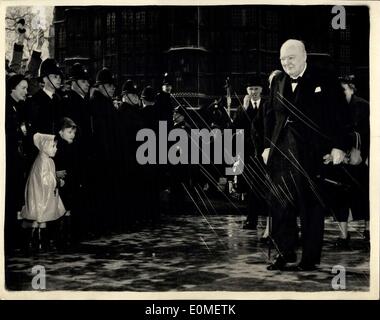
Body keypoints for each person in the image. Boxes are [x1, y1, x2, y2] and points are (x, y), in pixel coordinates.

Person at [263, 39, 350, 271]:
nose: (286, 63)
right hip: (281, 154)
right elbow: (269, 117)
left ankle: (309, 259)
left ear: (304, 56)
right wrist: (266, 146)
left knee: (310, 206)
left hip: (311, 154)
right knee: (281, 205)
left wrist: (339, 146)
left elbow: (341, 115)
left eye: (291, 58)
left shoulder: (325, 79)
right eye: (282, 59)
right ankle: (284, 253)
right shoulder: (277, 81)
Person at [332, 77, 370, 247]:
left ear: (352, 89)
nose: (341, 94)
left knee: (364, 195)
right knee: (340, 197)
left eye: (344, 90)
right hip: (342, 160)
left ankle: (369, 230)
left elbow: (368, 133)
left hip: (360, 159)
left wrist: (367, 156)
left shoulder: (363, 105)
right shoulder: (336, 107)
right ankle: (343, 235)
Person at [20, 133, 66, 252]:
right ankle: (38, 242)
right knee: (41, 216)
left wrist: (55, 179)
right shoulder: (43, 161)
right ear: (45, 146)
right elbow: (45, 180)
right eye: (53, 146)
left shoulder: (46, 160)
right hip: (41, 195)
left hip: (43, 194)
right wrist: (57, 181)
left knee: (41, 217)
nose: (56, 148)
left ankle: (36, 241)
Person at [233, 76, 268, 231]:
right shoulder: (242, 108)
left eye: (256, 89)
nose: (253, 92)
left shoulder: (267, 106)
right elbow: (236, 130)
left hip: (263, 153)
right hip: (247, 154)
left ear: (261, 90)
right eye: (250, 89)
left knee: (264, 188)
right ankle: (251, 220)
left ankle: (267, 221)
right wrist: (246, 109)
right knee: (249, 188)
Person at [90, 67, 121, 234]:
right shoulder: (97, 104)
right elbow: (101, 134)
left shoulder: (107, 103)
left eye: (112, 86)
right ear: (101, 86)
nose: (112, 88)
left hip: (110, 156)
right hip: (103, 158)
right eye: (109, 85)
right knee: (103, 192)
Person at [5, 75, 29, 253]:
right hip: (9, 162)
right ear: (12, 88)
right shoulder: (6, 107)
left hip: (17, 161)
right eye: (23, 88)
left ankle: (13, 236)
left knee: (15, 200)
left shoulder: (18, 107)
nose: (26, 91)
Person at [53, 117, 80, 248]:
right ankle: (61, 236)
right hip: (61, 182)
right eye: (70, 132)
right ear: (60, 132)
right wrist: (56, 173)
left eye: (74, 133)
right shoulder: (57, 146)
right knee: (62, 208)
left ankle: (68, 235)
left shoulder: (73, 146)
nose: (73, 135)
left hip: (71, 181)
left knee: (69, 208)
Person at [27, 58, 64, 135]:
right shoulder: (35, 100)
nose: (59, 79)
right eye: (55, 76)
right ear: (44, 79)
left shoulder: (60, 99)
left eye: (59, 77)